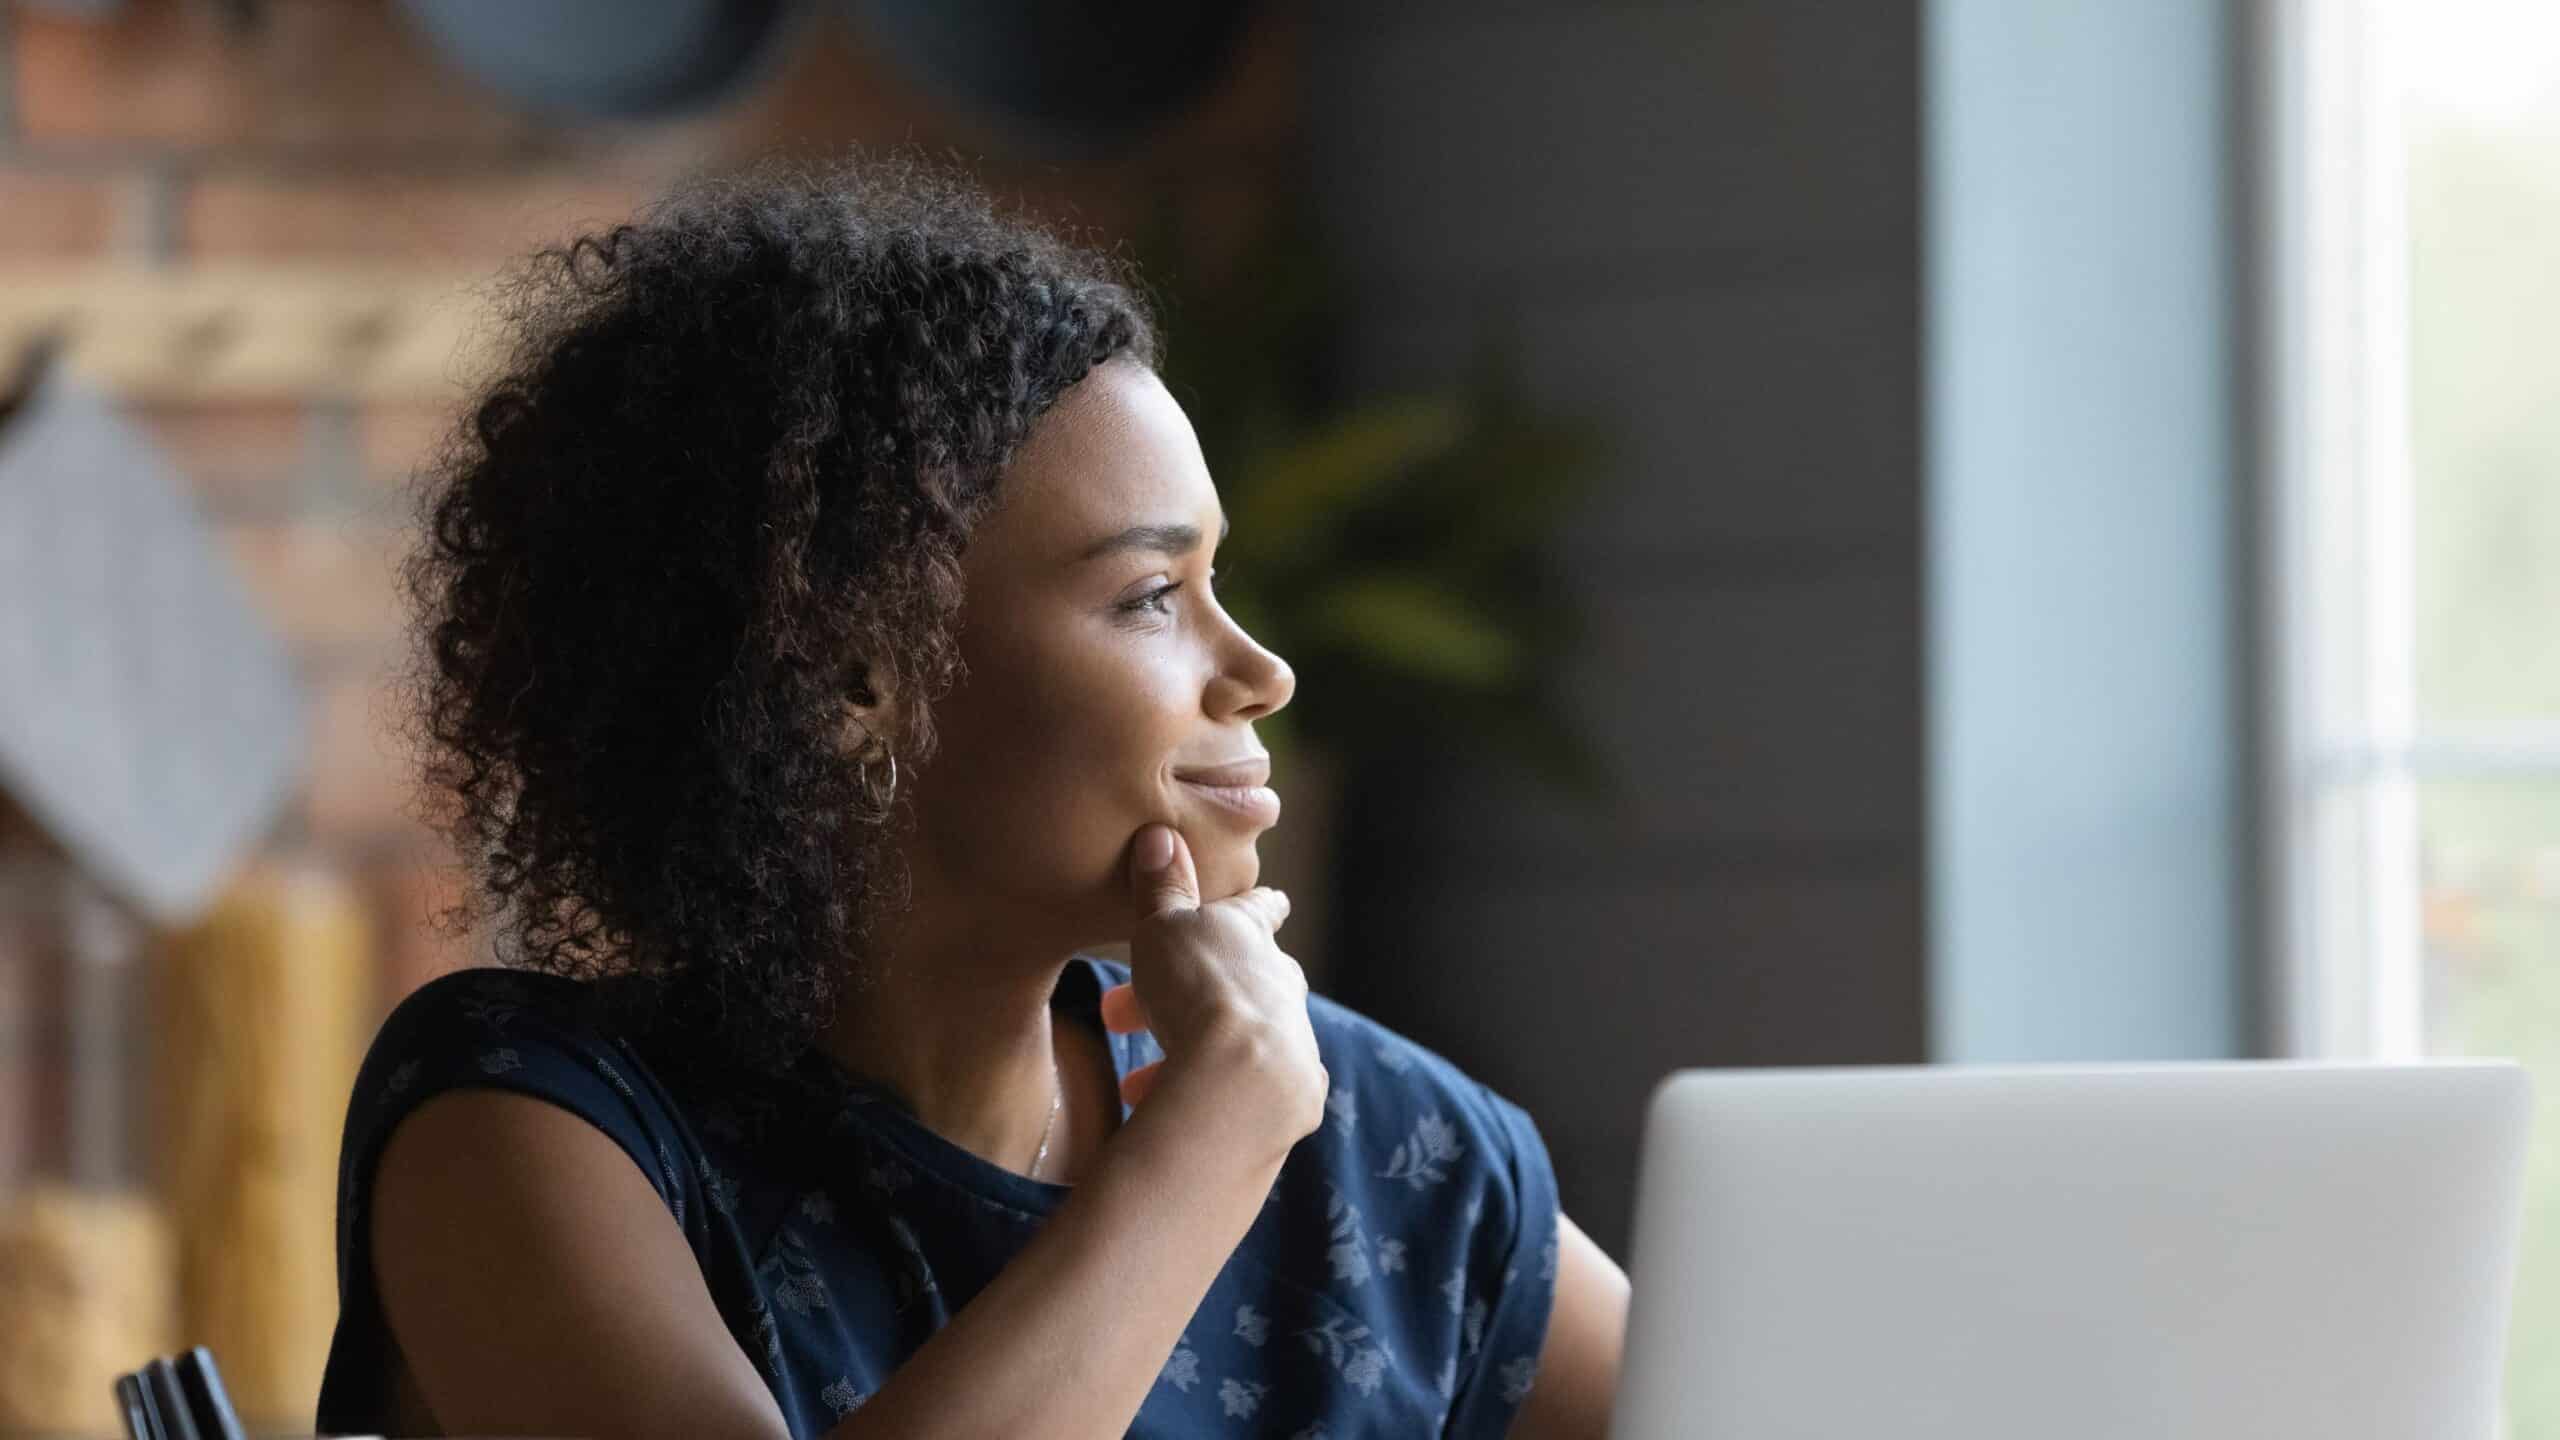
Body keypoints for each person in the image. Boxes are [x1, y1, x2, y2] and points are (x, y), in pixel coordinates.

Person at [314, 153, 1628, 1439]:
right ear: (849, 684)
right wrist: (1209, 1150)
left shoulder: (1378, 1141)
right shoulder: (526, 1127)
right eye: (1152, 597)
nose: (1262, 672)